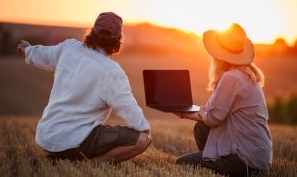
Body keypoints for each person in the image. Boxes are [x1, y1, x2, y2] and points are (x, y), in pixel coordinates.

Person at [17, 12, 151, 163]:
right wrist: (144, 130)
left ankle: (58, 158)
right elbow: (129, 110)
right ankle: (87, 164)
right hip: (75, 143)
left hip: (47, 138)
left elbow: (41, 54)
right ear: (118, 40)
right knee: (143, 139)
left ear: (91, 32)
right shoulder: (112, 72)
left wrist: (27, 49)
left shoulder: (68, 48)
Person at [174, 23, 272, 177]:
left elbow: (213, 118)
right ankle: (214, 165)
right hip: (259, 156)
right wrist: (185, 109)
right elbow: (213, 110)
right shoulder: (245, 75)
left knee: (181, 163)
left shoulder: (231, 77)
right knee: (201, 128)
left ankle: (216, 167)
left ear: (219, 56)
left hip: (246, 160)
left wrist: (181, 112)